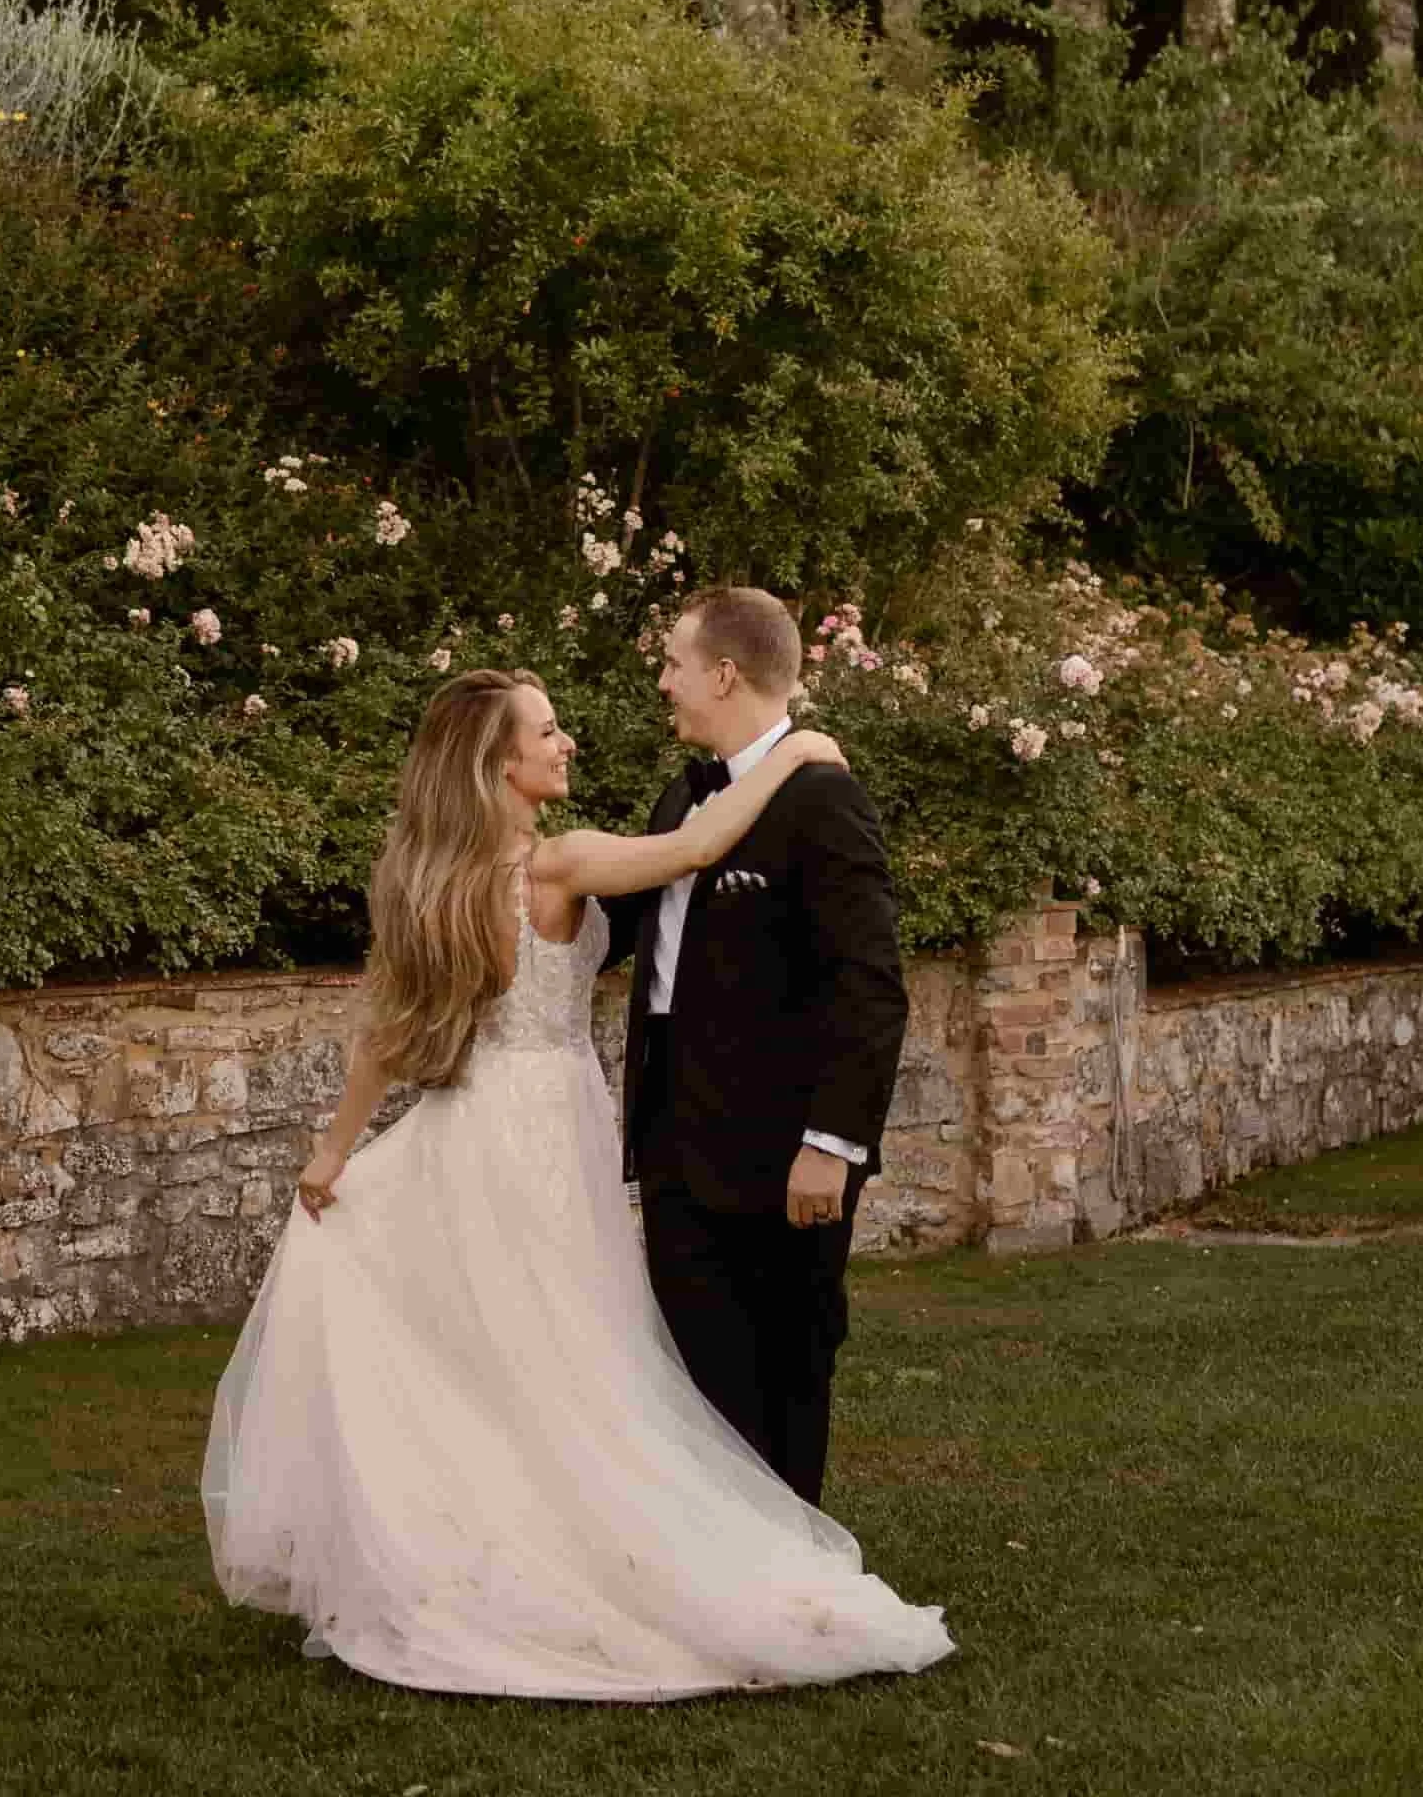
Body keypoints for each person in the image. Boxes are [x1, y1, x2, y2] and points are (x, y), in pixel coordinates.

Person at [200, 660, 952, 1701]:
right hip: (548, 1121)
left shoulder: (431, 873)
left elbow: (387, 1026)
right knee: (568, 1346)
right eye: (546, 732)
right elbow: (696, 845)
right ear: (497, 761)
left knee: (492, 1354)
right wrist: (800, 752)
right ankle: (578, 1559)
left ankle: (471, 1548)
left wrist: (334, 1149)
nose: (566, 744)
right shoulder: (560, 862)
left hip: (467, 1122)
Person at [605, 585, 911, 1505]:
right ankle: (720, 1596)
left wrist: (832, 1144)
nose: (663, 682)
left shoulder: (824, 799)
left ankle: (793, 1597)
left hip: (779, 1157)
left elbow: (869, 985)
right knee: (699, 1390)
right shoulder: (681, 797)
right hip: (672, 1146)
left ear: (724, 673)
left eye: (673, 663)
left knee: (783, 1376)